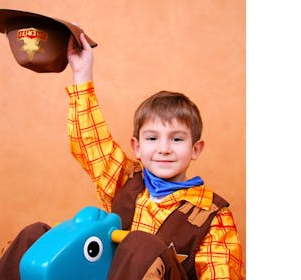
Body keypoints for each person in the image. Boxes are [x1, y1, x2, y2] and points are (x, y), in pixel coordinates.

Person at [64, 33, 245, 279]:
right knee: (33, 235)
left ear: (196, 149)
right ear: (137, 147)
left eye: (177, 139)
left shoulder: (212, 216)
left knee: (143, 244)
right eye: (152, 138)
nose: (164, 149)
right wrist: (82, 73)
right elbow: (91, 144)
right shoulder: (125, 182)